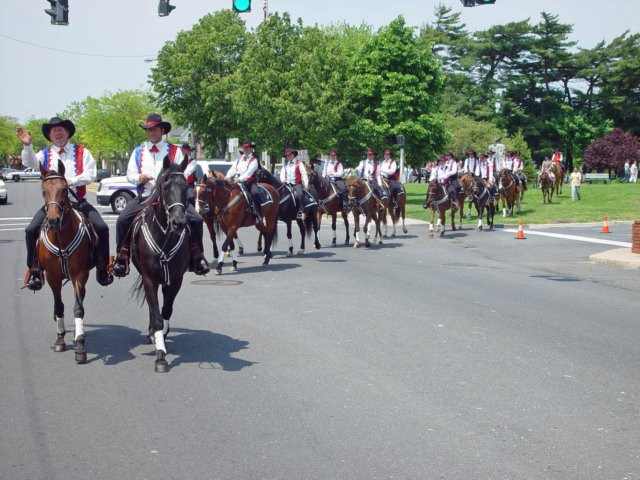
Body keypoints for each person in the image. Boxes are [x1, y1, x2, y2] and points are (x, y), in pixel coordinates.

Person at [16, 117, 113, 290]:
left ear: (67, 133)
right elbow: (28, 163)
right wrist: (27, 145)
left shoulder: (82, 152)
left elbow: (91, 174)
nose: (58, 133)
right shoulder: (44, 153)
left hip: (77, 202)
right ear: (50, 135)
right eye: (54, 131)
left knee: (102, 227)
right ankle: (34, 270)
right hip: (53, 205)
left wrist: (72, 180)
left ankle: (102, 268)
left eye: (61, 130)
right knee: (31, 230)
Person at [112, 114, 209, 277]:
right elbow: (130, 174)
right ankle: (122, 256)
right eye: (149, 129)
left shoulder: (175, 151)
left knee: (197, 219)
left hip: (172, 198)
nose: (152, 132)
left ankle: (197, 256)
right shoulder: (138, 152)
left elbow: (181, 174)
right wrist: (139, 177)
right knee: (122, 219)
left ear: (162, 130)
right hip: (146, 196)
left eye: (155, 129)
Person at [226, 140, 263, 224]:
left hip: (248, 182)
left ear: (251, 149)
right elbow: (233, 168)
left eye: (246, 148)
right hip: (236, 180)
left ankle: (258, 215)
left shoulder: (254, 160)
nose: (244, 150)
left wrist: (238, 180)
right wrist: (227, 176)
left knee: (255, 193)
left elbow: (248, 174)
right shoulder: (239, 158)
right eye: (244, 148)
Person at [280, 147, 309, 219]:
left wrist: (306, 183)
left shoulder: (299, 163)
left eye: (290, 155)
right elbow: (282, 173)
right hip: (286, 184)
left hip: (296, 184)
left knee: (300, 194)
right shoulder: (285, 164)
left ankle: (302, 211)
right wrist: (283, 179)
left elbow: (304, 173)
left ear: (293, 155)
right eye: (287, 155)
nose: (288, 156)